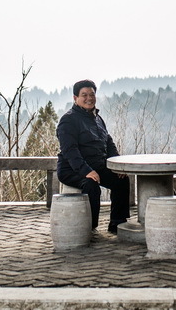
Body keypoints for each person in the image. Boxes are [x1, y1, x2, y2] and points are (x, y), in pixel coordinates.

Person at [56, 79, 130, 233]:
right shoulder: (68, 120)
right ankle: (90, 227)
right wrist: (86, 171)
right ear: (75, 98)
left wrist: (117, 165)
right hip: (72, 169)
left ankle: (117, 223)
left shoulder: (97, 118)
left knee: (121, 180)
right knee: (91, 184)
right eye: (84, 95)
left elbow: (108, 143)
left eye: (92, 94)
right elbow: (70, 150)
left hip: (97, 166)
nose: (89, 98)